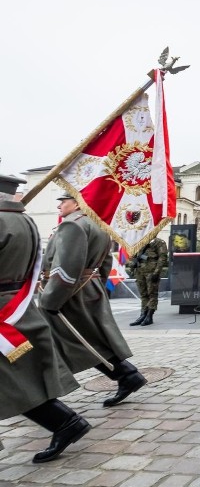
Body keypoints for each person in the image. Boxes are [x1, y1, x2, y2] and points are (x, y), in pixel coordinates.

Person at [0, 176, 91, 463]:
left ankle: (66, 423)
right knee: (16, 379)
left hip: (5, 311)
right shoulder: (24, 221)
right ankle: (66, 423)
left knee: (14, 378)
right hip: (18, 305)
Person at [40, 192, 147, 407]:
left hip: (69, 292)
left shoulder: (72, 225)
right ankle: (127, 375)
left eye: (64, 200)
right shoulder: (98, 224)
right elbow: (106, 262)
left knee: (77, 340)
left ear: (77, 202)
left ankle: (44, 398)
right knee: (88, 338)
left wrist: (50, 300)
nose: (59, 204)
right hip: (88, 287)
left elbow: (66, 268)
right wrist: (98, 287)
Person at [127, 236, 168, 326]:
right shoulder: (139, 242)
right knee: (143, 294)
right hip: (140, 271)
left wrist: (157, 272)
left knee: (152, 294)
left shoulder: (158, 242)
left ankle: (149, 316)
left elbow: (162, 258)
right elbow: (134, 255)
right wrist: (132, 265)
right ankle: (143, 314)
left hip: (151, 272)